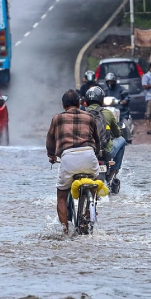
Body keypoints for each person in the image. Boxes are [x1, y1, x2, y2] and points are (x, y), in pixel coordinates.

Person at [46, 89, 100, 232]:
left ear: (63, 105)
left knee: (62, 196)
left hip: (68, 158)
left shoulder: (57, 118)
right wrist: (96, 154)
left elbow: (50, 140)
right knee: (94, 183)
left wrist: (51, 156)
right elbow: (97, 140)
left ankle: (65, 232)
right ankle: (90, 210)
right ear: (80, 103)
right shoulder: (89, 117)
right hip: (89, 155)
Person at [85, 86, 126, 178]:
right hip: (105, 151)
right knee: (122, 141)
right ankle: (114, 171)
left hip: (87, 151)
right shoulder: (108, 113)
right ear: (101, 99)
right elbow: (117, 133)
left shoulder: (81, 114)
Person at [101, 72, 132, 143]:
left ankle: (128, 138)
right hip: (108, 110)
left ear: (114, 81)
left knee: (125, 125)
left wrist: (124, 100)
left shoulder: (121, 89)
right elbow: (101, 97)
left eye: (111, 81)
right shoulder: (105, 91)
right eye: (108, 81)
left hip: (121, 111)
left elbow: (127, 96)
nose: (110, 83)